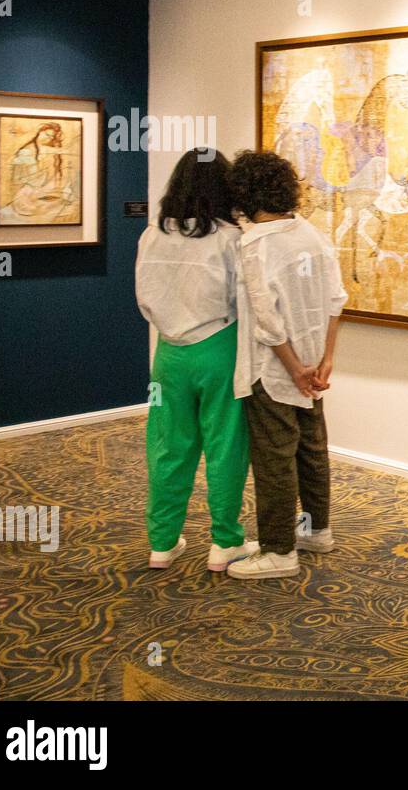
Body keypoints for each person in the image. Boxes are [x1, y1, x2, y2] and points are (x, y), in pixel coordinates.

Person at [226, 151, 346, 580]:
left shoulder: (256, 245)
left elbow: (267, 321)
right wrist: (325, 360)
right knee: (311, 448)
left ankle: (279, 550)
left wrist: (294, 367)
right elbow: (336, 299)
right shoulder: (311, 233)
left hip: (275, 370)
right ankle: (316, 528)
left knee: (275, 457)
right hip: (314, 365)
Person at [136, 148, 256, 571]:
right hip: (220, 347)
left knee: (168, 447)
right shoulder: (231, 238)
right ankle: (225, 543)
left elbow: (145, 301)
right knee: (225, 447)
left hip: (168, 354)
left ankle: (162, 543)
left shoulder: (153, 234)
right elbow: (245, 300)